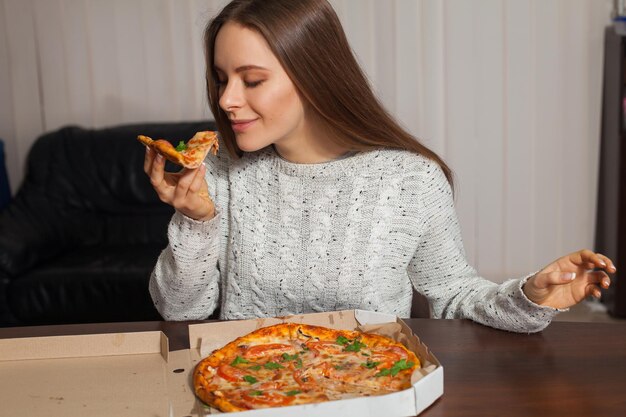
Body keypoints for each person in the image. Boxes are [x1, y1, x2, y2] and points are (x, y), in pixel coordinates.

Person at [144, 0, 614, 333]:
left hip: (370, 391)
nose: (226, 99)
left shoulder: (411, 179)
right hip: (245, 390)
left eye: (252, 80)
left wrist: (528, 297)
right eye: (222, 79)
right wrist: (196, 221)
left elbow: (452, 294)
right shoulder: (220, 173)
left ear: (314, 74)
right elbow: (179, 310)